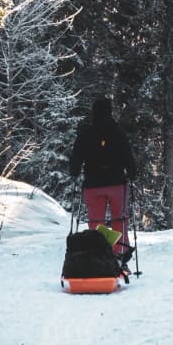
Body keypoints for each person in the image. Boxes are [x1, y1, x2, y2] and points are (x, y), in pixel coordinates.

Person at [70, 97, 136, 264]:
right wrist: (132, 172)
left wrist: (75, 172)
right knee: (119, 219)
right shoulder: (118, 132)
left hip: (93, 184)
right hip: (117, 183)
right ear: (110, 112)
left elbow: (76, 157)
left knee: (95, 221)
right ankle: (119, 253)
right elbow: (128, 156)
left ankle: (96, 253)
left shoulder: (85, 133)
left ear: (94, 113)